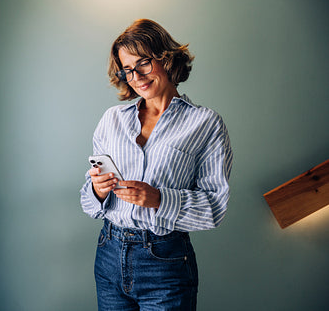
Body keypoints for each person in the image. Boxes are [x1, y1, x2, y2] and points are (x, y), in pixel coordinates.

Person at [80, 19, 233, 310]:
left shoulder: (206, 123)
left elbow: (214, 208)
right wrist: (98, 191)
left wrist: (159, 198)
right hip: (109, 253)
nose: (136, 76)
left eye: (143, 63)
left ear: (166, 58)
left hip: (166, 262)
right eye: (127, 70)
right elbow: (88, 203)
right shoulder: (111, 120)